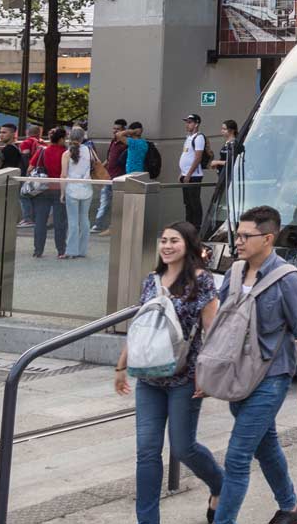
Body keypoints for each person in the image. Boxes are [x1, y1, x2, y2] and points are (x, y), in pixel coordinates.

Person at [115, 222, 224, 524]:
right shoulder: (151, 280)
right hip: (149, 378)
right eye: (163, 240)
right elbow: (142, 327)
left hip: (185, 378)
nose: (166, 246)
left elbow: (211, 331)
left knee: (183, 447)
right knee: (147, 452)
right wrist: (122, 364)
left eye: (174, 241)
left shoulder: (203, 282)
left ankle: (221, 485)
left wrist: (206, 372)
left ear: (188, 245)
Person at [214, 206, 297, 524]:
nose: (239, 241)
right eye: (237, 235)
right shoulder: (233, 274)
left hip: (272, 376)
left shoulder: (287, 279)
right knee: (266, 445)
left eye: (246, 236)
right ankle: (290, 507)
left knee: (238, 455)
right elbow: (219, 323)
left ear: (267, 238)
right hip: (236, 376)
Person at [63, 126, 97, 259]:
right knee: (84, 219)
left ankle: (71, 251)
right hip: (87, 188)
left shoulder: (66, 154)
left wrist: (61, 192)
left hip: (71, 189)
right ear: (83, 138)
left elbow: (63, 175)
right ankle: (82, 250)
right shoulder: (89, 150)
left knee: (73, 221)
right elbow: (97, 164)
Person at [95, 120, 130, 234]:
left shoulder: (126, 144)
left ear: (123, 131)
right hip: (108, 178)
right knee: (104, 202)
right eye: (114, 129)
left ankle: (114, 227)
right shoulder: (113, 142)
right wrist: (101, 169)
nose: (115, 131)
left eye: (118, 129)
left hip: (120, 178)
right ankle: (99, 225)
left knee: (117, 204)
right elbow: (109, 158)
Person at [179, 113, 207, 231]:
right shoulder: (188, 137)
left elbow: (197, 158)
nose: (187, 124)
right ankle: (188, 225)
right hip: (185, 174)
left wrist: (189, 173)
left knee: (194, 202)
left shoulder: (199, 137)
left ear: (196, 124)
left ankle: (196, 226)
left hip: (194, 176)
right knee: (187, 202)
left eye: (190, 122)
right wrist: (182, 172)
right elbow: (186, 155)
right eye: (187, 122)